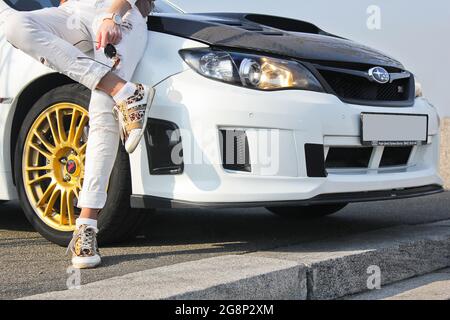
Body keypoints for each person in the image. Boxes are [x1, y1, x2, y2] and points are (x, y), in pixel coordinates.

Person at [4, 0, 156, 269]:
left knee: (101, 108)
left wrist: (112, 16)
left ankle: (86, 227)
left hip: (122, 13)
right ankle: (123, 90)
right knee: (17, 25)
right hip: (74, 12)